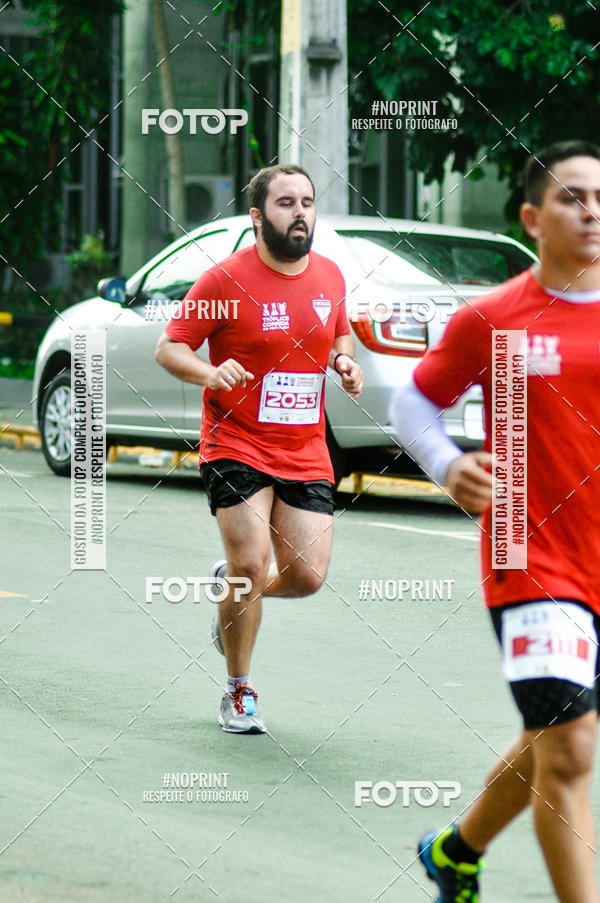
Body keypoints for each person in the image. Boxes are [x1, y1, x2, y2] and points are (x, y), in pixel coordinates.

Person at [390, 141, 600, 903]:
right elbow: (413, 401)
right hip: (531, 557)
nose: (592, 210)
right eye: (573, 197)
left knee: (552, 740)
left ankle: (455, 850)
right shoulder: (495, 317)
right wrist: (447, 464)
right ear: (533, 218)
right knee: (572, 751)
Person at [155, 164, 363, 734]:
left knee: (306, 576)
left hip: (304, 447)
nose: (300, 213)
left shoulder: (329, 276)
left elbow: (338, 331)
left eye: (308, 202)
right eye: (285, 203)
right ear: (257, 216)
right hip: (236, 441)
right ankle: (238, 690)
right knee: (252, 564)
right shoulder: (223, 280)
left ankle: (232, 594)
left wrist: (343, 361)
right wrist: (208, 371)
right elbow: (170, 348)